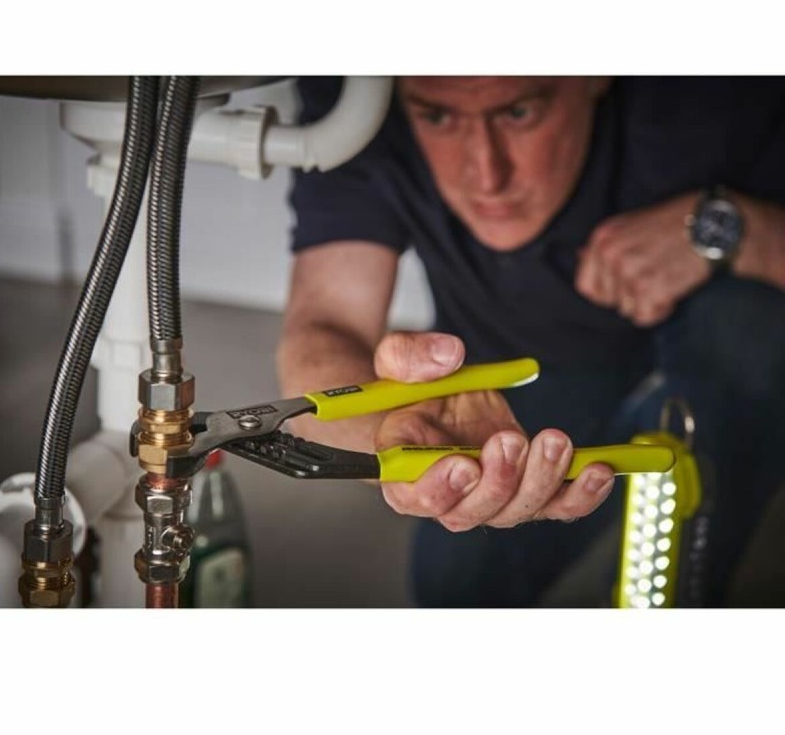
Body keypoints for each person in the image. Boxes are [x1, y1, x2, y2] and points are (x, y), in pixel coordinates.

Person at [277, 76, 785, 608]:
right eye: (439, 117)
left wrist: (732, 228)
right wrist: (392, 434)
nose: (487, 174)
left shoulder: (719, 88)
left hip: (730, 354)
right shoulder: (355, 103)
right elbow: (328, 323)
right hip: (514, 380)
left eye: (519, 113)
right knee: (456, 591)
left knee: (685, 568)